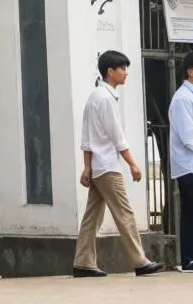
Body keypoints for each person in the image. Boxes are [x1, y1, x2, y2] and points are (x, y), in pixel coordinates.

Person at [72, 50, 163, 278]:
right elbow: (117, 137)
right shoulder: (105, 99)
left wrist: (87, 167)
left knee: (92, 216)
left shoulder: (94, 97)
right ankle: (140, 261)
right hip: (108, 166)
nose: (125, 72)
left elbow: (86, 138)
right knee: (125, 213)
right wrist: (133, 164)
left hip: (98, 166)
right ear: (110, 71)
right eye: (122, 68)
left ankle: (83, 262)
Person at [169, 50, 193, 272]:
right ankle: (189, 258)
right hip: (188, 166)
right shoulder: (182, 99)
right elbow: (188, 138)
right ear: (190, 71)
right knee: (190, 212)